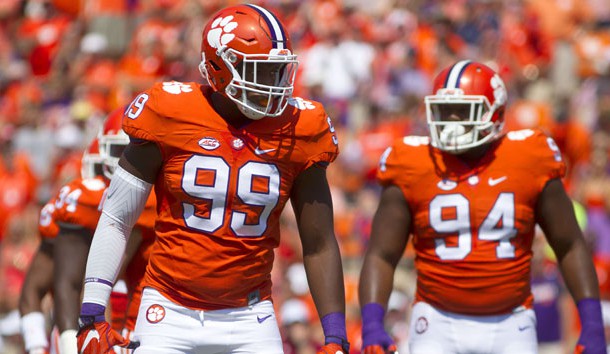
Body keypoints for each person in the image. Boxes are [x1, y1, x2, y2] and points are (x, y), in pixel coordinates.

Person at [76, 3, 348, 354]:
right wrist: (92, 311)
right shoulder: (170, 111)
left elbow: (320, 242)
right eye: (260, 71)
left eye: (278, 71)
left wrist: (335, 336)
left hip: (250, 316)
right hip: (168, 310)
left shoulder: (300, 128)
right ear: (219, 67)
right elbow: (116, 217)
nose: (274, 85)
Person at [358, 60, 606, 354]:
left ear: (495, 113)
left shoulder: (530, 157)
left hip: (512, 322)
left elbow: (570, 245)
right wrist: (372, 324)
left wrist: (592, 324)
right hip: (436, 321)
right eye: (443, 111)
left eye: (463, 111)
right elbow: (382, 254)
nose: (450, 121)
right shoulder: (411, 162)